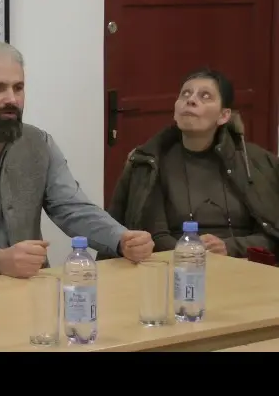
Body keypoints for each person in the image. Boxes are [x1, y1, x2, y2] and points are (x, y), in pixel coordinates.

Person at [0, 41, 154, 286]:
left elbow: (73, 208)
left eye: (18, 88)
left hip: (22, 288)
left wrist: (121, 238)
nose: (11, 99)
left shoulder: (40, 144)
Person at [107, 67, 279, 259]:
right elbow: (154, 236)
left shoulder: (257, 163)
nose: (191, 100)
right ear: (175, 110)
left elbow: (271, 235)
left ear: (224, 115)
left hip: (244, 269)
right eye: (185, 94)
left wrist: (229, 247)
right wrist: (192, 255)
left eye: (205, 96)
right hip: (173, 267)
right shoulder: (151, 162)